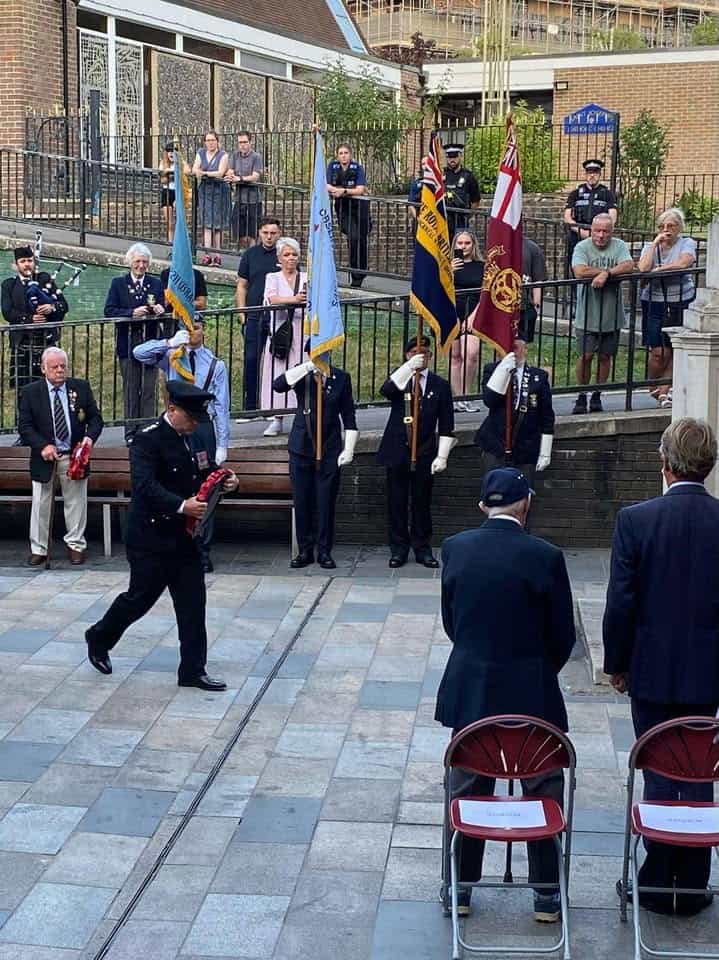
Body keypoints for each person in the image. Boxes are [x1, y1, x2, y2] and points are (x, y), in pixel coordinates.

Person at [435, 466, 576, 922]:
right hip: (532, 688)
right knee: (543, 787)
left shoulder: (456, 549)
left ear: (482, 506)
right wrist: (535, 668)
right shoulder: (547, 556)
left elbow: (452, 623)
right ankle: (546, 895)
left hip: (472, 686)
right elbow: (562, 636)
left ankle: (459, 888)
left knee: (468, 785)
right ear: (526, 504)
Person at [603, 418, 719, 917]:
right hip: (706, 674)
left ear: (665, 463)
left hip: (649, 670)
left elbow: (621, 603)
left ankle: (655, 879)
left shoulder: (637, 519)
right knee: (697, 770)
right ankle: (692, 881)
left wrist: (617, 663)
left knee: (656, 768)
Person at [84, 381, 239, 690]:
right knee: (139, 599)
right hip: (151, 537)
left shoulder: (195, 436)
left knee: (193, 603)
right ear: (172, 409)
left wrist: (226, 479)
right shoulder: (147, 440)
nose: (196, 423)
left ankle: (193, 670)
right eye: (191, 417)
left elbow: (204, 469)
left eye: (199, 418)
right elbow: (145, 486)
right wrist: (183, 505)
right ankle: (99, 636)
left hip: (184, 537)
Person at [133, 315, 230, 573]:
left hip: (202, 426)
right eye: (187, 327)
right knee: (177, 481)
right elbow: (138, 354)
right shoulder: (173, 356)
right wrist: (168, 342)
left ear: (204, 331)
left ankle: (202, 548)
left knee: (205, 487)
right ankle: (177, 537)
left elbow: (221, 406)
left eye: (196, 328)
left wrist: (222, 443)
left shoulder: (215, 364)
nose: (191, 333)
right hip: (176, 423)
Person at [17, 347, 103, 566]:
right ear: (43, 368)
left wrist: (89, 439)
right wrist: (42, 446)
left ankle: (75, 545)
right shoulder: (30, 392)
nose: (59, 370)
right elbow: (25, 427)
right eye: (54, 367)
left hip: (73, 455)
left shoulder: (80, 388)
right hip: (45, 456)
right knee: (41, 503)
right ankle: (40, 548)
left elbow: (95, 419)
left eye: (63, 366)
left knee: (76, 502)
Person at [273, 351, 358, 570]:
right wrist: (307, 367)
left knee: (326, 502)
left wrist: (349, 448)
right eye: (318, 352)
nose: (323, 356)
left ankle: (325, 551)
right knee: (302, 502)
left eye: (326, 352)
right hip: (301, 447)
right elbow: (279, 385)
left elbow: (348, 416)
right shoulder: (303, 375)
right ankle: (304, 550)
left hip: (329, 449)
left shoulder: (341, 378)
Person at [377, 335, 455, 569]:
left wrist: (442, 455)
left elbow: (447, 424)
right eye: (414, 353)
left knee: (422, 503)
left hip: (424, 451)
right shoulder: (401, 380)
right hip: (397, 451)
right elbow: (386, 390)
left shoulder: (439, 386)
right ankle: (398, 549)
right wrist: (408, 368)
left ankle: (422, 548)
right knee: (397, 503)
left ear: (431, 357)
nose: (420, 357)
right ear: (407, 355)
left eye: (424, 354)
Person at [104, 243, 166, 445]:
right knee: (131, 388)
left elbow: (163, 306)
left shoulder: (155, 283)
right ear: (130, 262)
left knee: (149, 388)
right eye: (138, 261)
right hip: (128, 343)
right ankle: (131, 432)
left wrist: (159, 308)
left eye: (144, 262)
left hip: (150, 342)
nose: (141, 265)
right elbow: (109, 310)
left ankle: (147, 429)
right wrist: (131, 313)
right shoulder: (118, 283)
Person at [572, 213, 634, 414]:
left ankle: (597, 393)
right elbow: (579, 270)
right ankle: (582, 394)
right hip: (587, 312)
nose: (600, 235)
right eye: (597, 231)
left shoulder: (619, 245)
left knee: (606, 356)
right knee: (586, 355)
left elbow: (628, 265)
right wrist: (605, 271)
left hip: (611, 313)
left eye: (605, 231)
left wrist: (606, 274)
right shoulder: (582, 247)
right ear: (591, 229)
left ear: (611, 232)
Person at [638, 207, 697, 409]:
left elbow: (684, 263)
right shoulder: (651, 246)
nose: (666, 230)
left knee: (675, 348)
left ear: (679, 228)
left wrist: (660, 270)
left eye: (671, 226)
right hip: (654, 301)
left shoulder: (687, 243)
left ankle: (664, 393)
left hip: (680, 300)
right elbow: (643, 269)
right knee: (658, 351)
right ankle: (653, 386)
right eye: (662, 226)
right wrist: (655, 244)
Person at [475, 336, 554, 483]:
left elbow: (547, 415)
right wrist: (504, 370)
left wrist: (545, 451)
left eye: (516, 348)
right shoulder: (491, 370)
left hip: (525, 446)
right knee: (494, 492)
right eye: (508, 349)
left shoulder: (539, 376)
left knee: (521, 495)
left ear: (525, 350)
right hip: (496, 445)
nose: (512, 352)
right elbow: (489, 400)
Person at [2, 245, 68, 392]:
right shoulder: (9, 285)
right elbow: (7, 312)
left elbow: (64, 305)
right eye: (23, 261)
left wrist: (52, 307)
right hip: (22, 343)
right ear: (15, 265)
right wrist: (29, 318)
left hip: (46, 341)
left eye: (30, 260)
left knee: (49, 388)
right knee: (23, 390)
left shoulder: (45, 279)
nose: (27, 264)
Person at [260, 237, 307, 438]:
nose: (290, 258)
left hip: (302, 332)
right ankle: (276, 418)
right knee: (278, 372)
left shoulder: (305, 277)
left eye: (294, 254)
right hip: (281, 333)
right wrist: (294, 300)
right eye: (286, 255)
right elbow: (272, 298)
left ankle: (303, 415)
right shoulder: (272, 277)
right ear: (279, 257)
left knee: (302, 373)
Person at [235, 217, 281, 412]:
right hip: (254, 315)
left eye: (273, 233)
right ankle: (250, 406)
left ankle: (274, 406)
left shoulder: (283, 255)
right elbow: (242, 285)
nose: (269, 237)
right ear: (260, 233)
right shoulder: (250, 255)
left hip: (277, 317)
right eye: (265, 233)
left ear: (279, 234)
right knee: (251, 359)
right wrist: (242, 312)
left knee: (277, 362)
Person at [327, 143, 370, 288]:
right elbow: (325, 184)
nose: (343, 155)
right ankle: (355, 271)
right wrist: (336, 190)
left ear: (350, 155)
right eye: (340, 153)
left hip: (359, 207)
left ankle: (359, 273)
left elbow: (360, 189)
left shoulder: (357, 168)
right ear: (337, 155)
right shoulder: (332, 167)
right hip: (344, 208)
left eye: (346, 153)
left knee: (361, 240)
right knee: (353, 237)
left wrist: (343, 191)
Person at [563, 159, 618, 275]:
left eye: (595, 172)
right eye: (589, 172)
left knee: (598, 267)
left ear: (600, 174)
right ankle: (575, 293)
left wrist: (598, 233)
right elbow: (567, 218)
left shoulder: (607, 194)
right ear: (585, 174)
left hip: (599, 237)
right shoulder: (576, 194)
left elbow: (612, 218)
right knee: (576, 269)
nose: (592, 175)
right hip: (577, 235)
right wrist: (581, 232)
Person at [449, 231, 484, 411]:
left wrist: (473, 316)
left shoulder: (481, 266)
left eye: (467, 243)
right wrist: (450, 272)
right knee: (455, 356)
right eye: (460, 243)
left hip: (474, 313)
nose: (463, 246)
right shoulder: (448, 266)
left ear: (473, 245)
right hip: (453, 312)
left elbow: (484, 294)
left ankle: (466, 395)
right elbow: (441, 290)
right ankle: (457, 399)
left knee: (470, 354)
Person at [192, 131, 230, 264]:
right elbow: (194, 169)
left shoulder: (223, 155)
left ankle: (218, 255)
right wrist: (201, 173)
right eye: (208, 140)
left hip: (219, 191)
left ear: (217, 141)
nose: (211, 143)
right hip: (205, 191)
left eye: (213, 140)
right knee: (207, 223)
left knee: (218, 225)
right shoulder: (200, 153)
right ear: (205, 142)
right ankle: (208, 254)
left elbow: (220, 173)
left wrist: (204, 173)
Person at [226, 132, 264, 250]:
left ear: (250, 142)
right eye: (240, 142)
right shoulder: (235, 155)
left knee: (253, 232)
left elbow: (255, 176)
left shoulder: (256, 157)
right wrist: (230, 175)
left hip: (253, 200)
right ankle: (246, 254)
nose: (242, 145)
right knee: (239, 231)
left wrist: (240, 179)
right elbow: (230, 170)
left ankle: (253, 255)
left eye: (245, 142)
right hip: (239, 199)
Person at [443, 144, 480, 238]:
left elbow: (475, 200)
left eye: (455, 156)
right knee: (443, 250)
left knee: (459, 249)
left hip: (460, 221)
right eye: (449, 157)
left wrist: (467, 216)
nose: (452, 160)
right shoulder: (441, 174)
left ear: (461, 156)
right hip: (442, 220)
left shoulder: (468, 176)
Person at [158, 143, 190, 243]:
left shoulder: (181, 162)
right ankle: (171, 245)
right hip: (167, 192)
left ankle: (180, 243)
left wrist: (174, 172)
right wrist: (168, 174)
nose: (171, 153)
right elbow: (162, 180)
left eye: (173, 151)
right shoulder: (163, 163)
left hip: (178, 192)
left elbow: (188, 171)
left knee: (180, 220)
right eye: (169, 152)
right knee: (170, 223)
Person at [520, 236, 547, 345]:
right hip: (502, 306)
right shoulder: (497, 246)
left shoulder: (531, 247)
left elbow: (538, 279)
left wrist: (536, 304)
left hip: (525, 305)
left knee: (521, 346)